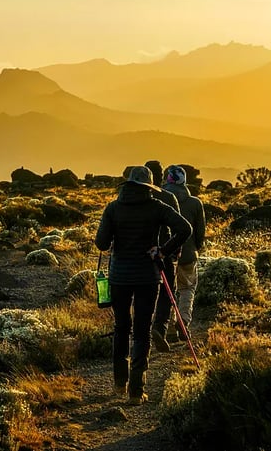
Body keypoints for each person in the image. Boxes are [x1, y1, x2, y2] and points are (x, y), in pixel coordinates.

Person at [95, 166, 192, 405]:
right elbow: (185, 229)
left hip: (119, 277)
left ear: (127, 185)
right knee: (142, 331)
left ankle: (120, 383)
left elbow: (102, 244)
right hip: (148, 277)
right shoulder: (157, 207)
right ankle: (137, 392)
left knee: (121, 328)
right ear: (149, 187)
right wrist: (163, 250)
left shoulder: (113, 208)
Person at [158, 165, 206, 342]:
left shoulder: (158, 200)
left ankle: (169, 328)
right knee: (187, 288)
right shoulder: (195, 203)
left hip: (164, 254)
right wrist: (196, 246)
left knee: (167, 290)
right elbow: (200, 230)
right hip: (188, 254)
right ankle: (183, 321)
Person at [145, 160, 182, 353]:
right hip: (164, 252)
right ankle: (159, 327)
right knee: (168, 293)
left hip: (140, 254)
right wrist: (174, 249)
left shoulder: (135, 198)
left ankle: (141, 332)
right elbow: (181, 227)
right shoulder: (168, 197)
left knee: (142, 292)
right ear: (161, 176)